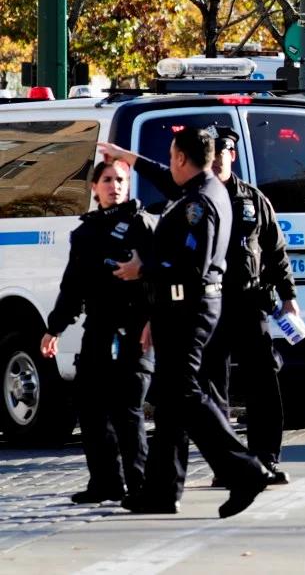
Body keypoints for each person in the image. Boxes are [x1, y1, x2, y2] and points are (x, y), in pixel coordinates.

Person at [97, 130, 270, 518]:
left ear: (180, 158)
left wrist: (145, 268)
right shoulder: (198, 186)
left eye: (171, 155)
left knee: (184, 393)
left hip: (188, 306)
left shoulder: (199, 203)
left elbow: (192, 266)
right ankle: (161, 490)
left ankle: (244, 469)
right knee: (170, 399)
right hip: (178, 306)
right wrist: (130, 156)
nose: (167, 164)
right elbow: (163, 177)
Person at [41, 160, 155, 504]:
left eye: (120, 180)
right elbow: (72, 285)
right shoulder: (85, 232)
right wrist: (54, 328)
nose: (114, 186)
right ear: (94, 187)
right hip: (99, 327)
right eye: (107, 180)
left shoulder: (143, 224)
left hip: (135, 327)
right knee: (90, 406)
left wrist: (154, 317)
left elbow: (165, 273)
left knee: (127, 407)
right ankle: (105, 482)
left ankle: (139, 484)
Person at [202, 128, 296, 487]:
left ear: (233, 155)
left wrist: (289, 299)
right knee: (213, 387)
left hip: (249, 303)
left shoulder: (253, 201)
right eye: (211, 151)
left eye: (223, 151)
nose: (217, 158)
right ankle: (225, 463)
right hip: (210, 306)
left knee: (263, 383)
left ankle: (265, 459)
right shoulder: (197, 200)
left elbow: (276, 253)